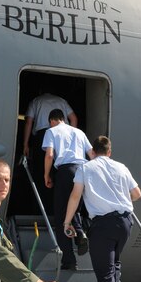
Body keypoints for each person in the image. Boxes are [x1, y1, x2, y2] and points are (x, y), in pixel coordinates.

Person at [63, 136, 141, 282]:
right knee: (114, 267)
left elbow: (75, 195)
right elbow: (137, 194)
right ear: (109, 151)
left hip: (103, 226)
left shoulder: (86, 168)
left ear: (92, 152)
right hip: (125, 223)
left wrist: (67, 222)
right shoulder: (122, 167)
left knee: (105, 277)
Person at [42, 109, 94, 270]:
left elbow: (49, 155)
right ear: (64, 118)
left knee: (61, 216)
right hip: (83, 170)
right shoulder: (79, 132)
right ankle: (80, 232)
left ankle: (69, 261)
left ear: (51, 120)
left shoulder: (51, 131)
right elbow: (92, 154)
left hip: (65, 171)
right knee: (74, 209)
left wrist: (46, 175)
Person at [23, 89, 77, 214]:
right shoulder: (62, 101)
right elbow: (74, 118)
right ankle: (59, 210)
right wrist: (71, 134)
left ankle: (39, 210)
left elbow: (29, 122)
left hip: (42, 135)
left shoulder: (36, 101)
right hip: (63, 137)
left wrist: (25, 144)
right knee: (61, 171)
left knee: (40, 174)